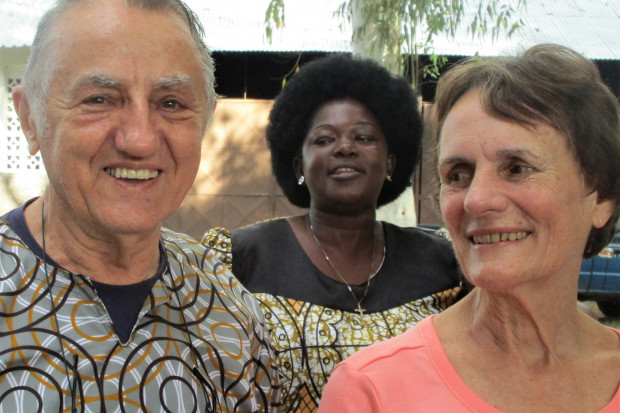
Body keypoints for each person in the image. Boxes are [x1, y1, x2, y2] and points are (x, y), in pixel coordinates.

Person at [0, 0, 279, 411]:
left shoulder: (229, 310)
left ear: (205, 119)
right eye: (99, 99)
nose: (140, 140)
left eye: (170, 103)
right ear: (30, 118)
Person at [319, 44, 620, 412]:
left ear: (601, 197)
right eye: (458, 175)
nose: (476, 200)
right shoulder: (372, 392)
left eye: (518, 168)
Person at [206, 54, 464, 412]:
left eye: (364, 137)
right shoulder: (238, 260)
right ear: (299, 165)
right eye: (325, 139)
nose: (345, 147)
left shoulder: (445, 264)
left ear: (390, 162)